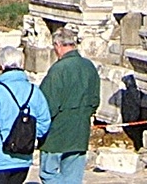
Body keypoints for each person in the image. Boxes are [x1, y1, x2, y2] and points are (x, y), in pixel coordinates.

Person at [0, 47, 51, 184]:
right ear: (21, 64)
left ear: (1, 65)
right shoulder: (35, 91)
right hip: (24, 155)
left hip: (0, 156)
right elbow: (44, 121)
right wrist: (29, 134)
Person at [38, 28, 100, 184]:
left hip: (57, 133)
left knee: (48, 173)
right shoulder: (89, 66)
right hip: (80, 130)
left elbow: (46, 105)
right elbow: (95, 101)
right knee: (73, 176)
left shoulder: (58, 70)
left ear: (58, 45)